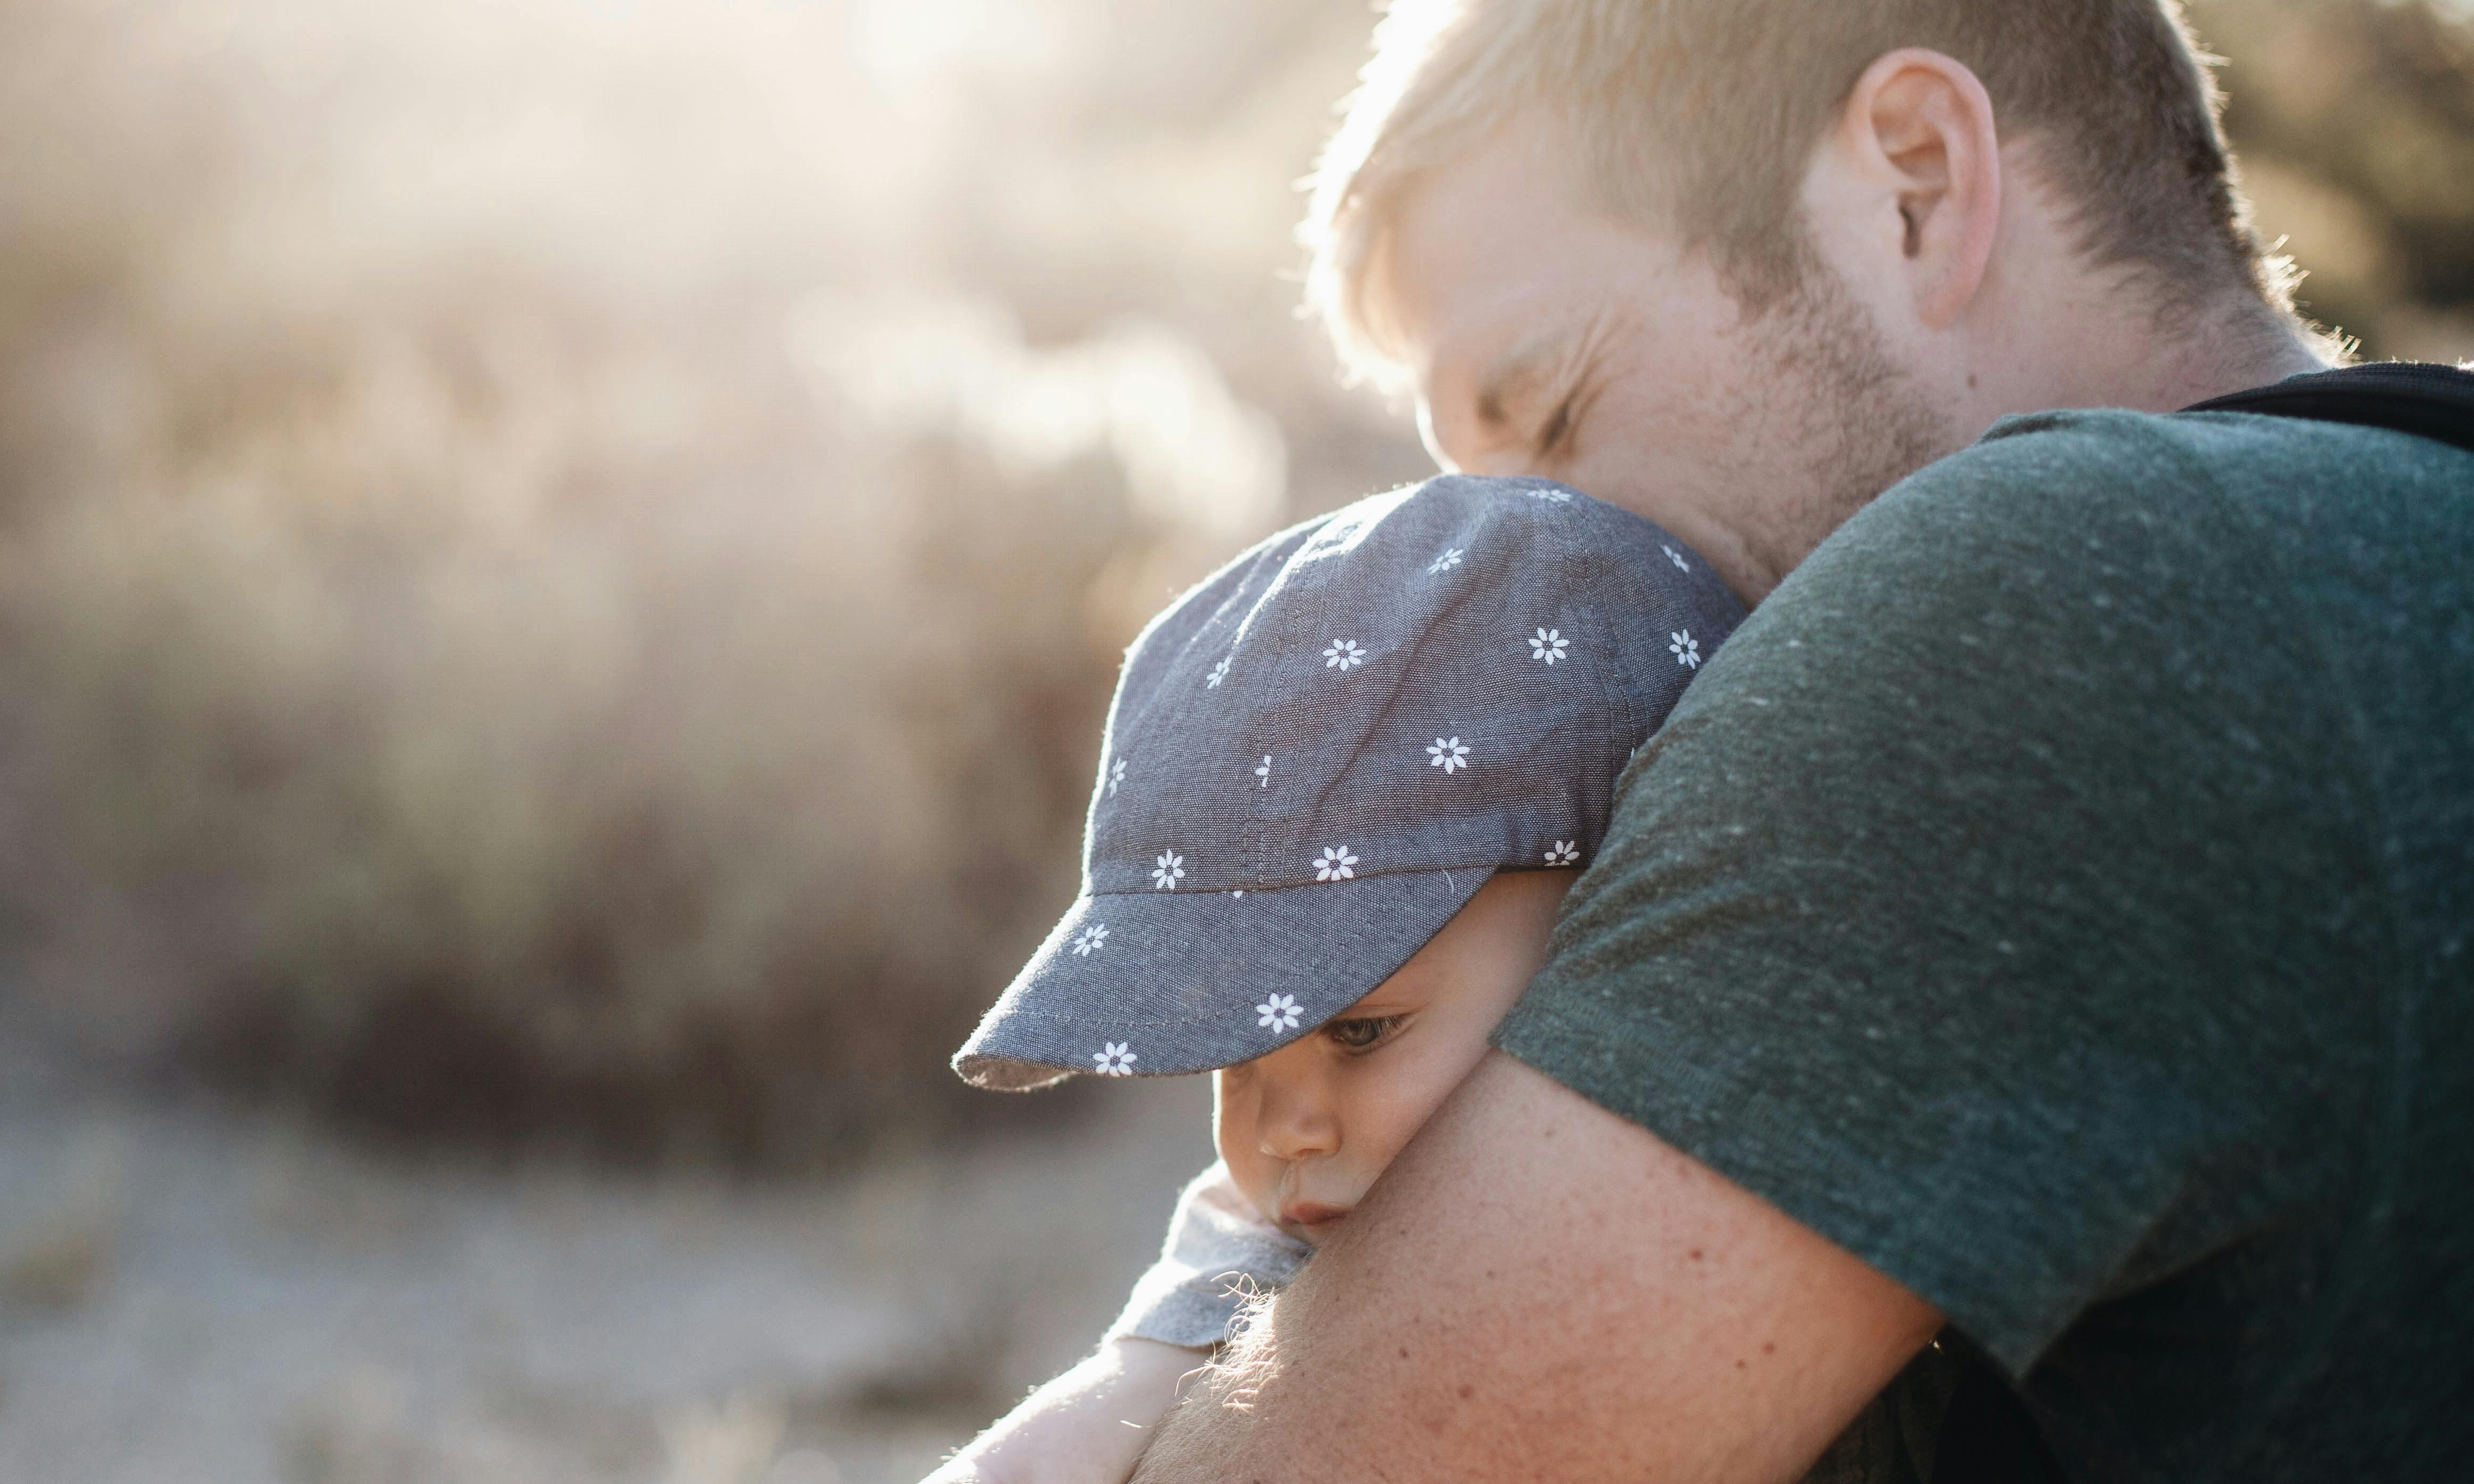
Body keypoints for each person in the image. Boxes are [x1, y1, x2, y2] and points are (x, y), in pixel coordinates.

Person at [1113, 2, 2474, 1481]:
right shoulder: (2404, 531)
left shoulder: (2039, 603)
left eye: (1555, 412)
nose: (1508, 568)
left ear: (1915, 181)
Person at [924, 476, 1942, 1484]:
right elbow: (1113, 1391)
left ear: (1617, 918)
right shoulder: (1286, 1229)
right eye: (1233, 1060)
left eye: (1361, 1032)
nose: (1282, 1133)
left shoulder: (1806, 1140)